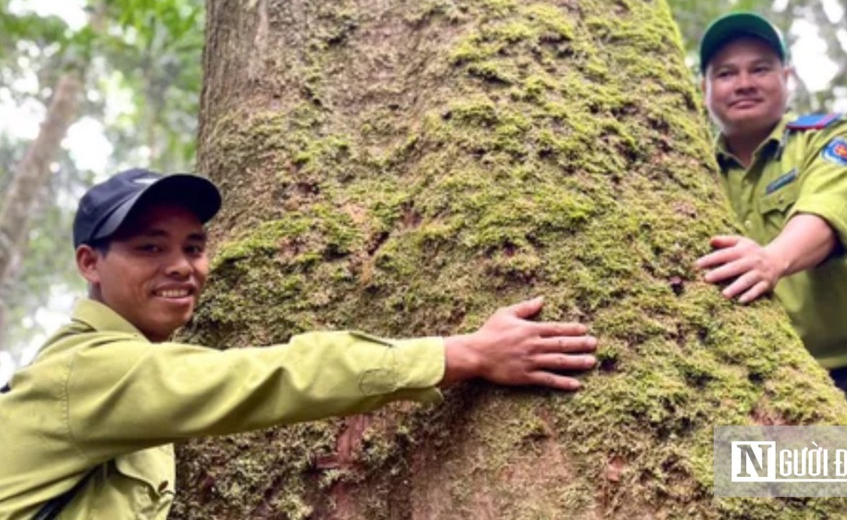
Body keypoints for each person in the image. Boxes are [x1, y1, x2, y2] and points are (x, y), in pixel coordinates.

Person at [0, 168, 599, 519]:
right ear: (90, 263)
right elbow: (268, 376)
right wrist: (465, 353)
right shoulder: (82, 374)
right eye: (150, 247)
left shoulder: (128, 371)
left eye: (194, 246)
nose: (182, 266)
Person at [694, 11, 847, 434]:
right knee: (755, 485)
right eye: (726, 73)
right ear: (704, 89)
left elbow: (826, 212)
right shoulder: (694, 172)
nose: (744, 82)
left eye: (760, 68)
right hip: (774, 389)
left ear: (787, 77)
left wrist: (772, 260)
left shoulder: (825, 136)